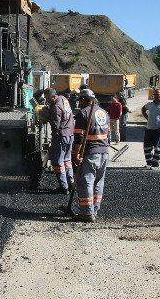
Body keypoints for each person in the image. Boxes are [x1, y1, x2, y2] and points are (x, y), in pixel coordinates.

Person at [72, 89, 110, 222]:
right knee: (99, 182)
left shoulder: (83, 113)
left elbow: (78, 138)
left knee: (86, 182)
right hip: (104, 152)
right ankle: (95, 209)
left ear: (83, 99)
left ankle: (87, 213)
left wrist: (77, 154)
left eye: (79, 101)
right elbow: (108, 134)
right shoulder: (104, 112)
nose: (78, 103)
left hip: (90, 153)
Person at [44, 87, 75, 194]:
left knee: (57, 162)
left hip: (61, 136)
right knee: (67, 160)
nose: (47, 101)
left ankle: (63, 187)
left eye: (48, 99)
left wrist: (48, 117)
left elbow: (55, 124)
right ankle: (71, 183)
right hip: (70, 134)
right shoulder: (63, 98)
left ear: (53, 96)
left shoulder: (55, 107)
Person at [141, 88, 160, 169]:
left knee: (157, 148)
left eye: (157, 94)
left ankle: (155, 165)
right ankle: (149, 163)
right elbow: (143, 109)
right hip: (149, 129)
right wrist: (147, 118)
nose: (155, 96)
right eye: (154, 94)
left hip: (159, 130)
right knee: (147, 147)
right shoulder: (150, 104)